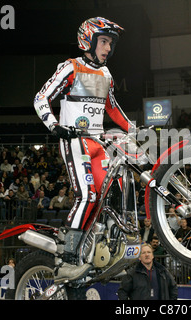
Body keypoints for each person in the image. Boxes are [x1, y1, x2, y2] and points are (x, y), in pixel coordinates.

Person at [33, 17, 135, 282]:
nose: (108, 48)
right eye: (103, 41)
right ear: (87, 40)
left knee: (109, 194)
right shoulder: (71, 67)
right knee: (87, 196)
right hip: (74, 139)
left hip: (98, 143)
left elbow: (112, 108)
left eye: (110, 43)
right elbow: (41, 97)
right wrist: (54, 126)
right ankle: (67, 260)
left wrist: (133, 129)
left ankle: (99, 251)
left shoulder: (106, 73)